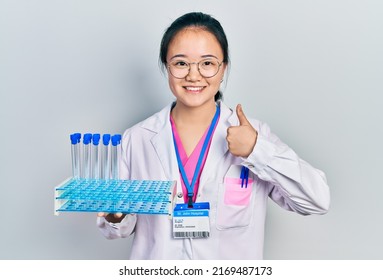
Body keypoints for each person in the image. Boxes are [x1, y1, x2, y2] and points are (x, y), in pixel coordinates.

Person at [97, 12, 330, 260]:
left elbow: (316, 200)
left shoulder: (254, 136)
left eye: (207, 63)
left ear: (223, 68)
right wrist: (115, 215)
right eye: (181, 63)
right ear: (167, 67)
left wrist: (256, 150)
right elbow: (116, 228)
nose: (194, 75)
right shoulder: (138, 138)